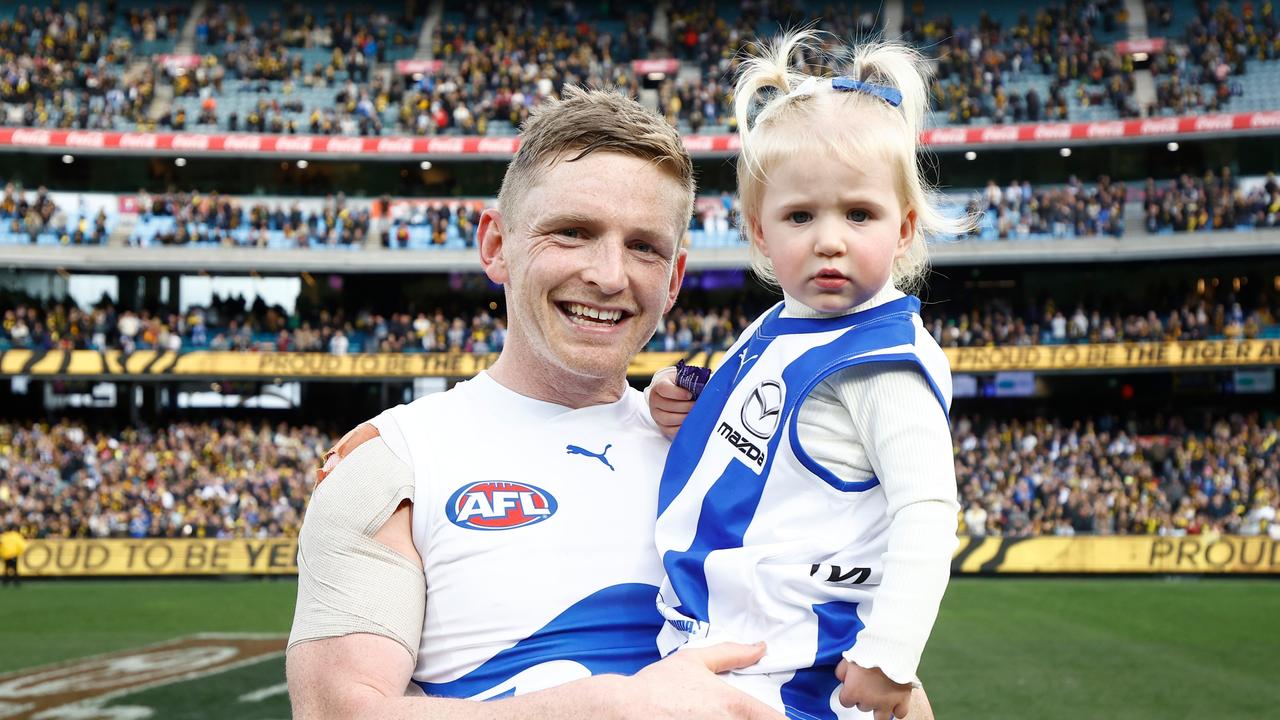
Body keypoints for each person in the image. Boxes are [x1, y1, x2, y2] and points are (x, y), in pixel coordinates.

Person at [286, 86, 787, 720]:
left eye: (644, 247)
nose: (609, 275)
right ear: (495, 246)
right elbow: (337, 713)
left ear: (675, 280)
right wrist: (611, 706)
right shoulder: (393, 465)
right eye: (573, 233)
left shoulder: (725, 454)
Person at [648, 31, 966, 720]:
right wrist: (686, 398)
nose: (830, 239)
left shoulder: (881, 368)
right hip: (714, 645)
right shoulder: (781, 323)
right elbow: (760, 410)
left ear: (905, 228)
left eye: (859, 214)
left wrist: (890, 656)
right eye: (800, 215)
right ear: (760, 234)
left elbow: (928, 512)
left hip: (792, 678)